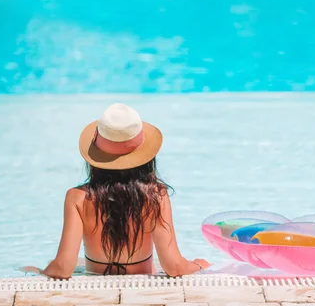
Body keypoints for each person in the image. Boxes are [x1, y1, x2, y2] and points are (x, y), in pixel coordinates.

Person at [21, 103, 210, 278]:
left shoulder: (77, 198)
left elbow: (63, 268)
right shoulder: (155, 196)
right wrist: (199, 265)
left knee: (34, 267)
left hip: (94, 278)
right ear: (145, 156)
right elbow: (174, 267)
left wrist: (39, 271)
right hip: (140, 282)